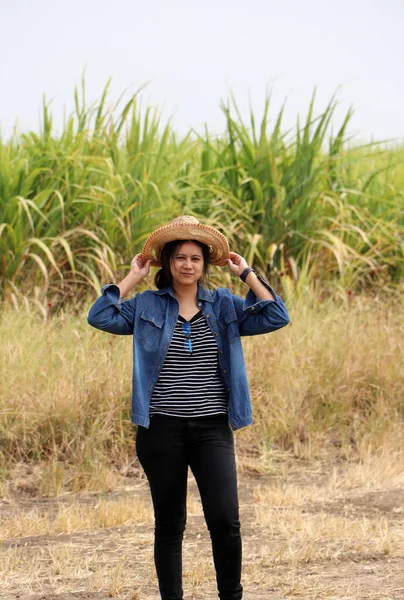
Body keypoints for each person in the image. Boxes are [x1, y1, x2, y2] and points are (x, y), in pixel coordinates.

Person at [87, 215, 290, 600]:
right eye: (179, 257)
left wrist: (245, 272)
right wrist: (131, 277)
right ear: (167, 262)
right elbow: (99, 316)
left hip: (212, 429)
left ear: (204, 264)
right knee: (169, 524)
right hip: (161, 430)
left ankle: (231, 596)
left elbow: (276, 314)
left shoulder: (225, 305)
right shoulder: (146, 304)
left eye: (196, 258)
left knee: (225, 520)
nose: (187, 265)